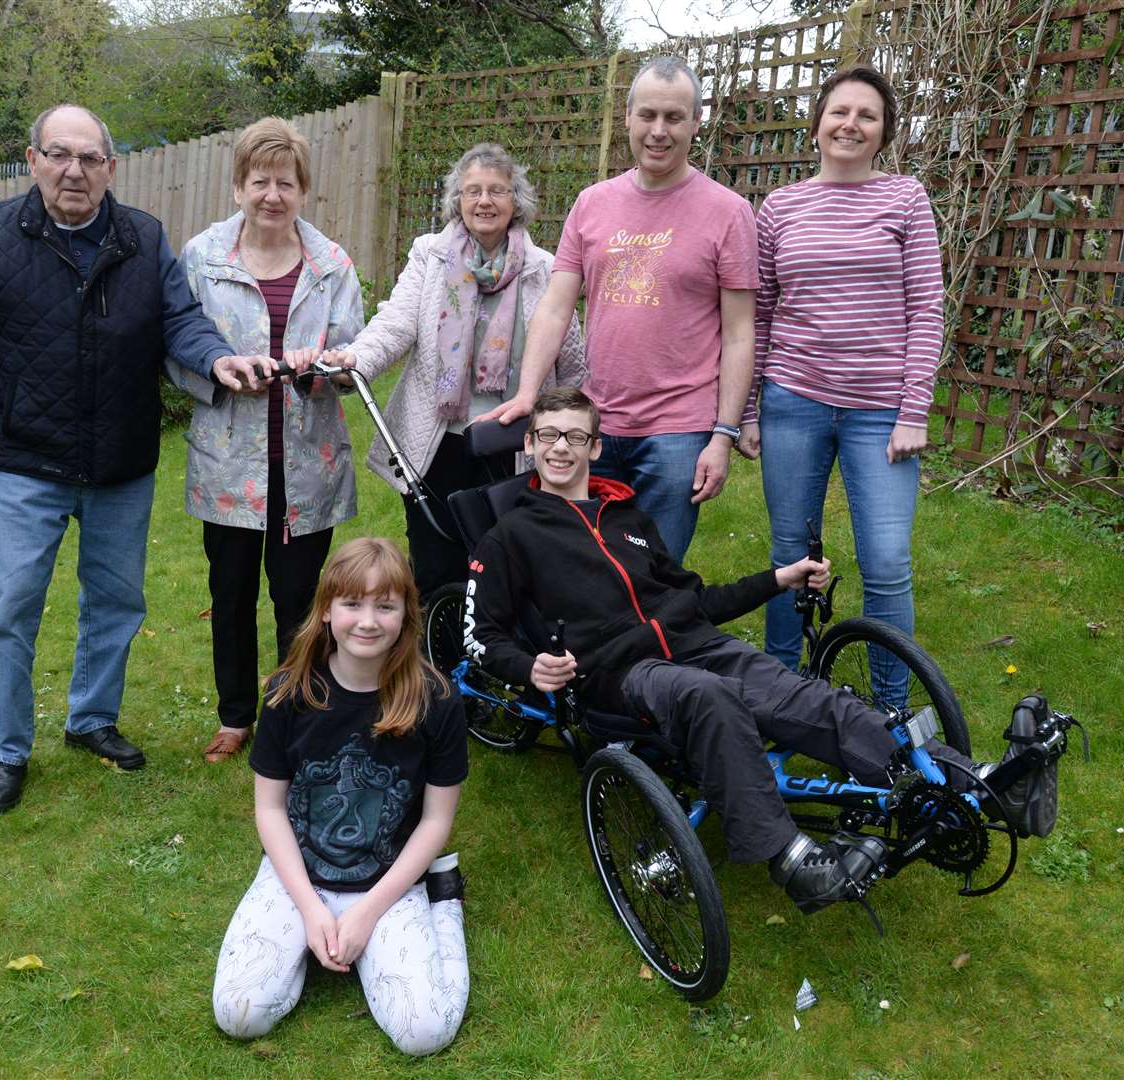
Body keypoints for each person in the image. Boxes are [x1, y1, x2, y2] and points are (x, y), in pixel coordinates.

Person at [464, 387, 1063, 914]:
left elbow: (694, 598)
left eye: (574, 436)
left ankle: (984, 785)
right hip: (622, 675)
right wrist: (530, 666)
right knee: (711, 698)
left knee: (811, 699)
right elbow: (478, 636)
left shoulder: (630, 518)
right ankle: (795, 859)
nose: (560, 448)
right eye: (547, 436)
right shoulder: (514, 533)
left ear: (596, 447)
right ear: (532, 445)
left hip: (698, 644)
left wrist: (779, 578)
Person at [0, 103, 266, 814]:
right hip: (27, 460)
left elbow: (179, 320)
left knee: (116, 603)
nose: (73, 170)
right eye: (59, 154)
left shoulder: (142, 237)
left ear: (111, 169)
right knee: (10, 607)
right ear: (33, 161)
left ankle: (91, 719)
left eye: (89, 158)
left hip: (121, 463)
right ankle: (3, 750)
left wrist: (219, 360)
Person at [477, 55, 758, 562]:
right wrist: (527, 392)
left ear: (697, 123)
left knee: (656, 573)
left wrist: (723, 434)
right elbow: (556, 307)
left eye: (674, 118)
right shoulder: (592, 203)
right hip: (596, 422)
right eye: (647, 115)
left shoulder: (729, 213)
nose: (658, 131)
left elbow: (740, 333)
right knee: (584, 567)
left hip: (680, 429)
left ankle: (650, 644)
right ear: (626, 117)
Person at [211, 538, 469, 1055]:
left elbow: (436, 822)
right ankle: (309, 943)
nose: (368, 621)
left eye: (385, 606)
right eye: (352, 603)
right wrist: (310, 911)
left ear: (406, 615)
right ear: (327, 609)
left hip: (390, 881)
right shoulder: (289, 690)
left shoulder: (436, 699)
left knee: (424, 1034)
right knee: (238, 1014)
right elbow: (269, 809)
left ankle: (443, 902)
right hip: (299, 875)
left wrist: (369, 912)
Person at [162, 118, 365, 767]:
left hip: (309, 462)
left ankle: (295, 716)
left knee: (301, 602)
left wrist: (323, 367)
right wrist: (222, 376)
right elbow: (175, 347)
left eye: (285, 182)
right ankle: (234, 716)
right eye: (259, 181)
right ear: (238, 186)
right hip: (229, 463)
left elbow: (353, 353)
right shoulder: (203, 258)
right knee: (231, 596)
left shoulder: (331, 264)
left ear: (303, 189)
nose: (272, 195)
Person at [739, 66, 945, 707]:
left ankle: (890, 709)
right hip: (792, 402)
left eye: (867, 115)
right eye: (839, 112)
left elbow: (926, 310)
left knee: (885, 563)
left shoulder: (906, 199)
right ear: (819, 122)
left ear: (883, 132)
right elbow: (761, 315)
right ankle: (780, 689)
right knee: (789, 551)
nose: (851, 124)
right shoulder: (780, 207)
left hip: (881, 413)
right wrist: (749, 410)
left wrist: (914, 410)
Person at [318, 143, 585, 599]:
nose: (484, 201)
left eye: (497, 191)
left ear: (515, 201)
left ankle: (497, 661)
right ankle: (435, 662)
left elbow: (574, 363)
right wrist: (355, 360)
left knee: (511, 566)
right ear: (457, 200)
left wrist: (567, 431)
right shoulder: (431, 255)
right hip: (438, 440)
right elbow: (396, 322)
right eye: (473, 191)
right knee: (435, 564)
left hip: (514, 442)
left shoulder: (544, 268)